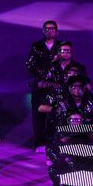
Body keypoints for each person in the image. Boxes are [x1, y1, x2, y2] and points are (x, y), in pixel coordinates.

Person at [25, 20, 62, 153]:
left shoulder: (62, 46)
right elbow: (30, 64)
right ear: (43, 31)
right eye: (47, 29)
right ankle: (39, 142)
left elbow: (66, 63)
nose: (49, 31)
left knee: (56, 115)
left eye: (52, 29)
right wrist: (40, 76)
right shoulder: (37, 46)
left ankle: (54, 142)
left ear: (57, 31)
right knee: (39, 115)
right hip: (40, 85)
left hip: (56, 86)